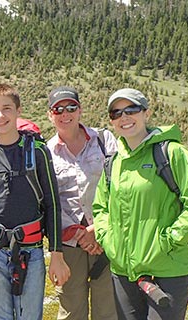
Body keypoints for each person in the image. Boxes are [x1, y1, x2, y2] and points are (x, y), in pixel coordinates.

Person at [92, 88, 188, 320]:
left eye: (131, 110)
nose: (124, 117)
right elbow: (101, 208)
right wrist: (110, 242)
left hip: (167, 269)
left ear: (146, 113)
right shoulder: (114, 162)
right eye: (116, 113)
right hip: (124, 271)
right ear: (111, 121)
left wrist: (169, 240)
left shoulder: (171, 153)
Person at [0, 83, 70, 320]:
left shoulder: (38, 152)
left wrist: (56, 254)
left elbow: (52, 204)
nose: (0, 116)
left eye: (6, 109)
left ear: (18, 111)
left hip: (31, 252)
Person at [45, 86, 117, 320]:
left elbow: (119, 185)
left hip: (106, 237)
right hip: (68, 244)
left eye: (71, 107)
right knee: (71, 310)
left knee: (108, 309)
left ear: (80, 110)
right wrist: (80, 235)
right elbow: (48, 199)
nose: (65, 114)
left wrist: (97, 229)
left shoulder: (104, 140)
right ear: (50, 114)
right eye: (58, 109)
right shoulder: (46, 152)